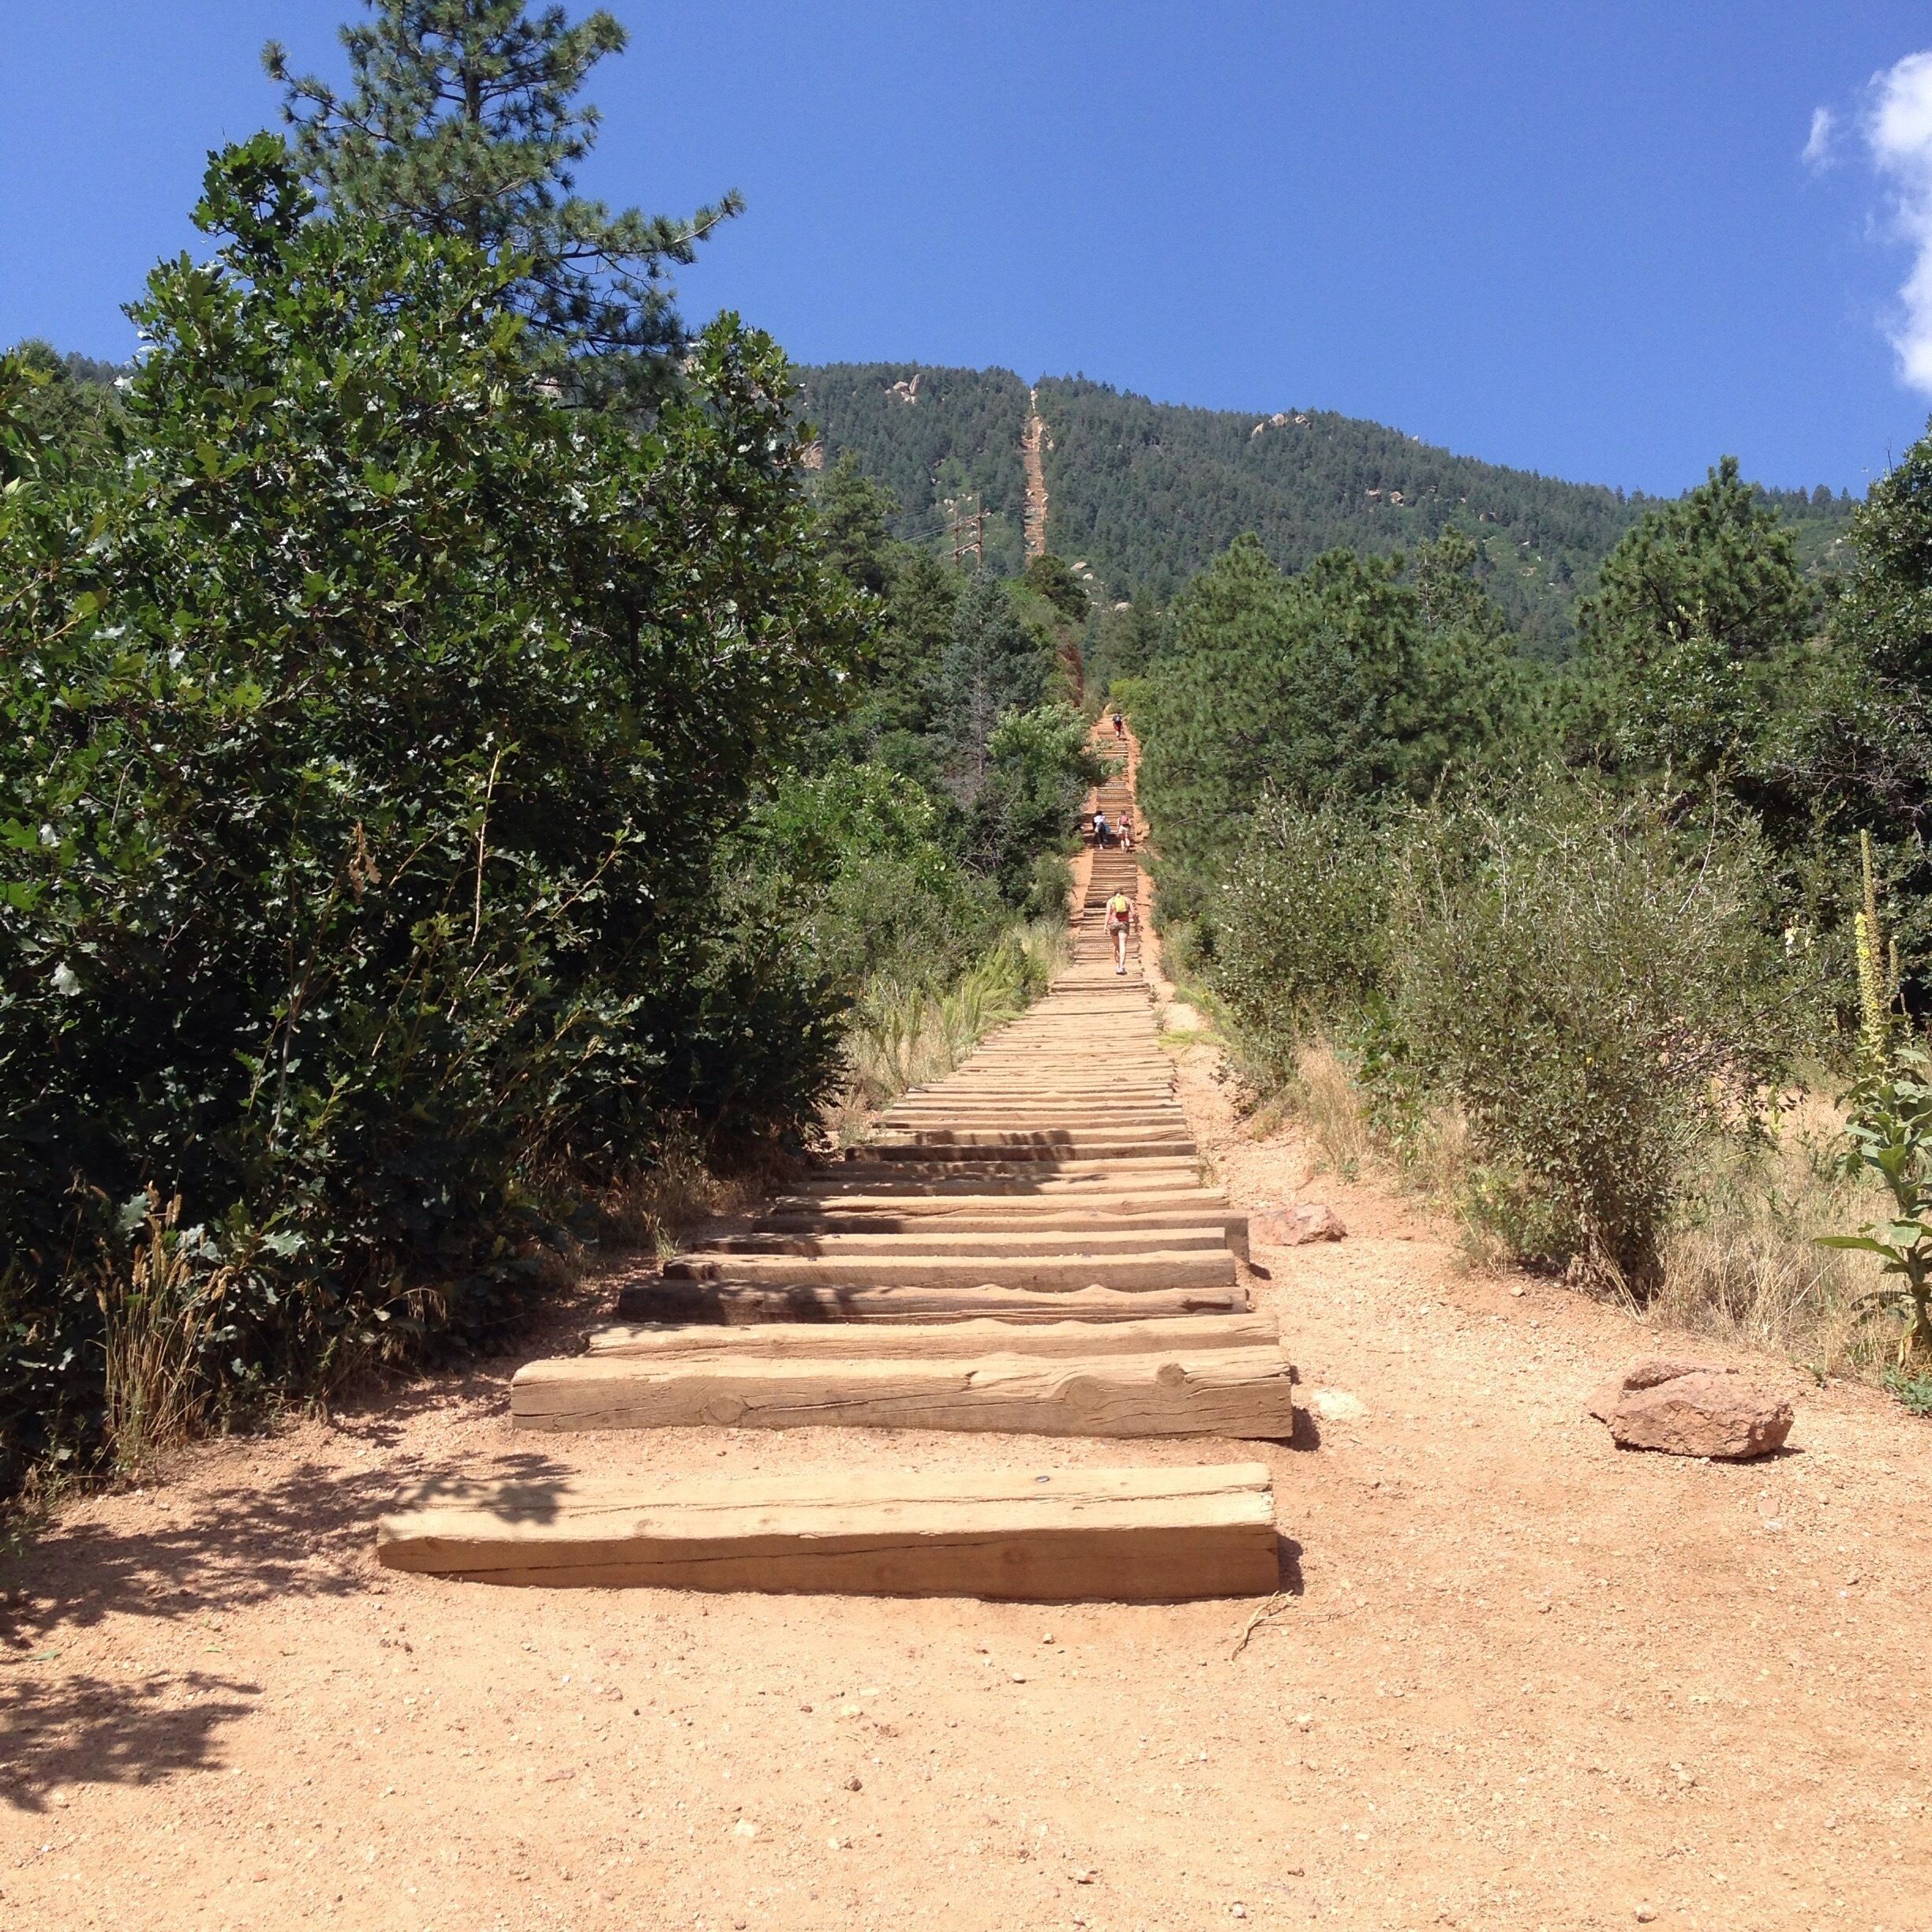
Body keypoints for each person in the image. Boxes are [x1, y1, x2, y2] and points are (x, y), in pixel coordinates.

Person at [1105, 887, 1136, 975]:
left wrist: (1105, 926)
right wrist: (1136, 925)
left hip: (1113, 925)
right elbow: (1134, 914)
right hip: (1124, 924)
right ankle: (1121, 966)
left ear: (1114, 893)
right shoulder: (1127, 900)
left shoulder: (1111, 901)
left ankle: (1117, 966)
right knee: (1123, 945)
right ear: (1123, 893)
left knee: (1116, 946)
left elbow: (1107, 914)